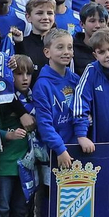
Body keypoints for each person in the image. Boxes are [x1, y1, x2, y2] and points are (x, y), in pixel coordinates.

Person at [0, 54, 41, 217]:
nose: (25, 78)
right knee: (1, 208)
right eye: (19, 74)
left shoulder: (34, 97)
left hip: (27, 163)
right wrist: (7, 135)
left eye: (28, 73)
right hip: (5, 163)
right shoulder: (2, 100)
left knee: (21, 208)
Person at [32, 29, 81, 171]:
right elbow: (44, 124)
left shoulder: (75, 80)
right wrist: (60, 149)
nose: (66, 52)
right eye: (60, 47)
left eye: (70, 47)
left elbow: (82, 111)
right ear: (47, 52)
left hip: (76, 147)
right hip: (55, 152)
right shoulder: (42, 85)